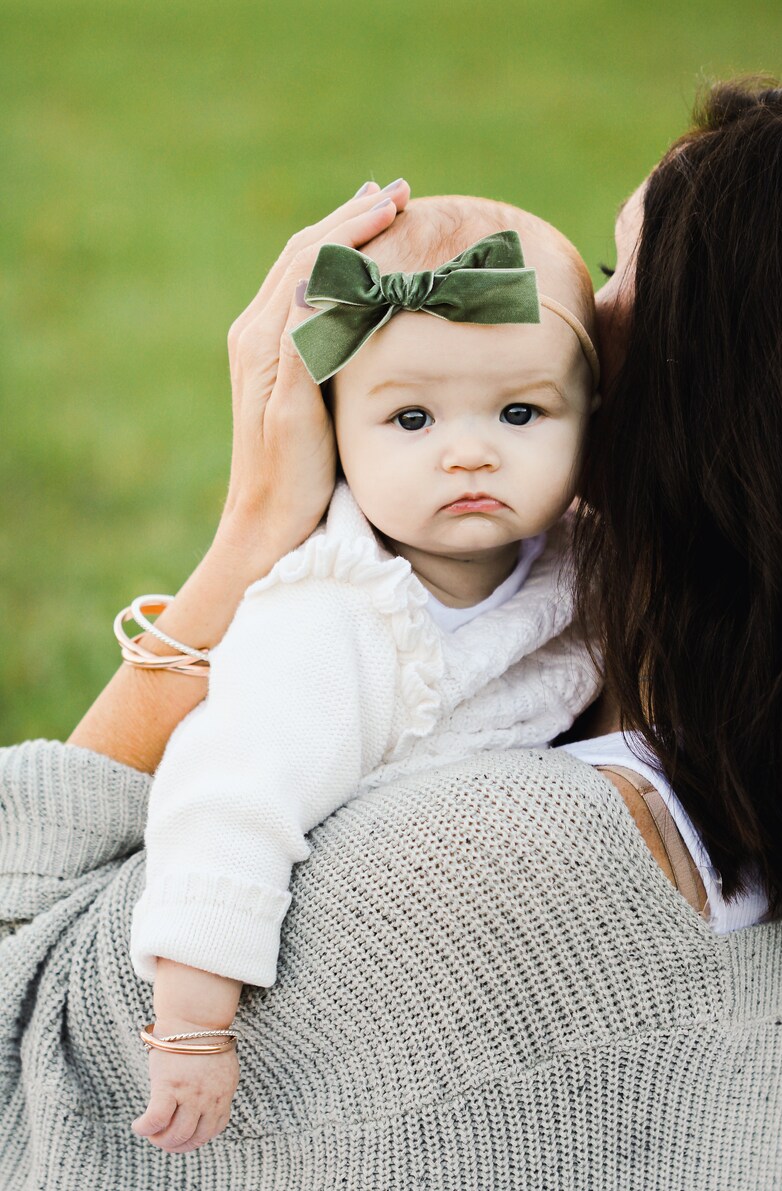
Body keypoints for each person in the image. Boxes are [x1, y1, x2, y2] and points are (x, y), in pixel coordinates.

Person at [1, 80, 782, 1190]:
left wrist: (246, 541)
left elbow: (21, 1045)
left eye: (618, 278)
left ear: (703, 394)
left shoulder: (455, 877)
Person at [126, 196, 603, 1149]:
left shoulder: (583, 567)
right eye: (412, 418)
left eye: (520, 411)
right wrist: (192, 1023)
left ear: (592, 416)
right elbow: (228, 802)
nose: (469, 451)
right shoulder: (332, 616)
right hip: (315, 1001)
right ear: (332, 429)